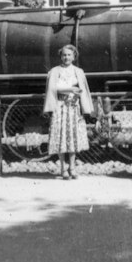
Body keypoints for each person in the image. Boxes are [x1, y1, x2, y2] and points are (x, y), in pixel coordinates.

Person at [43, 44, 94, 179]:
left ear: (74, 56)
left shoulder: (79, 71)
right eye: (64, 55)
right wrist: (71, 89)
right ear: (60, 56)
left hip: (73, 107)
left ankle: (72, 168)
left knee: (72, 137)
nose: (66, 57)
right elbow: (54, 88)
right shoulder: (54, 71)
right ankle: (62, 169)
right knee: (61, 137)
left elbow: (83, 89)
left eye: (69, 55)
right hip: (60, 106)